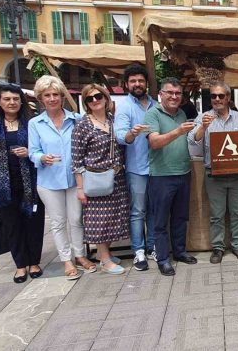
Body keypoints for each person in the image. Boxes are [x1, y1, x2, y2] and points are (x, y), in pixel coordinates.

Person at [29, 76, 96, 280]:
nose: (52, 99)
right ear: (41, 99)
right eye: (47, 95)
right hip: (49, 181)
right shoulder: (35, 123)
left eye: (55, 94)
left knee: (76, 219)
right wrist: (42, 157)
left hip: (75, 179)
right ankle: (66, 260)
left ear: (62, 97)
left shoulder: (76, 119)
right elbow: (32, 151)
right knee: (58, 222)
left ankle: (80, 255)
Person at [0, 83, 45, 283]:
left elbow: (40, 148)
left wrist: (29, 152)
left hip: (30, 181)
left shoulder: (31, 122)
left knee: (33, 223)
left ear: (21, 101)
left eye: (16, 99)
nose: (12, 102)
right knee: (11, 225)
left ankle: (34, 262)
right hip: (2, 186)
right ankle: (20, 265)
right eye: (7, 99)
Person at [188, 81, 238, 264]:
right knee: (216, 215)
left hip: (237, 174)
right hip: (213, 174)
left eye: (221, 96)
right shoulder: (203, 117)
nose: (217, 99)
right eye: (213, 96)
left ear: (228, 98)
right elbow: (192, 144)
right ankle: (218, 248)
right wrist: (203, 127)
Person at [72, 84, 130, 275]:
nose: (95, 100)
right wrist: (80, 188)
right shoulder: (83, 125)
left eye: (98, 96)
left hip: (117, 177)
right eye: (90, 98)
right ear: (86, 103)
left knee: (115, 218)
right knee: (100, 220)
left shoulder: (114, 120)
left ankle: (104, 253)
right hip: (96, 178)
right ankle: (104, 259)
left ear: (106, 98)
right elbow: (76, 159)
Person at [145, 77, 197, 276]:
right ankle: (163, 259)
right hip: (161, 176)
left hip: (183, 173)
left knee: (180, 217)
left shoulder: (182, 113)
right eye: (170, 93)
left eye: (178, 93)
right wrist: (177, 131)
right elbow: (155, 142)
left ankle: (180, 252)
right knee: (160, 221)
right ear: (161, 94)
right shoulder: (152, 114)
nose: (174, 97)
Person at [114, 64, 157, 271]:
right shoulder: (123, 106)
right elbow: (120, 136)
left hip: (158, 167)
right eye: (133, 81)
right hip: (137, 168)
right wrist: (132, 133)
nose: (137, 84)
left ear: (146, 83)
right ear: (126, 84)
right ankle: (138, 251)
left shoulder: (156, 105)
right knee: (138, 211)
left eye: (140, 80)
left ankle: (152, 247)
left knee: (154, 210)